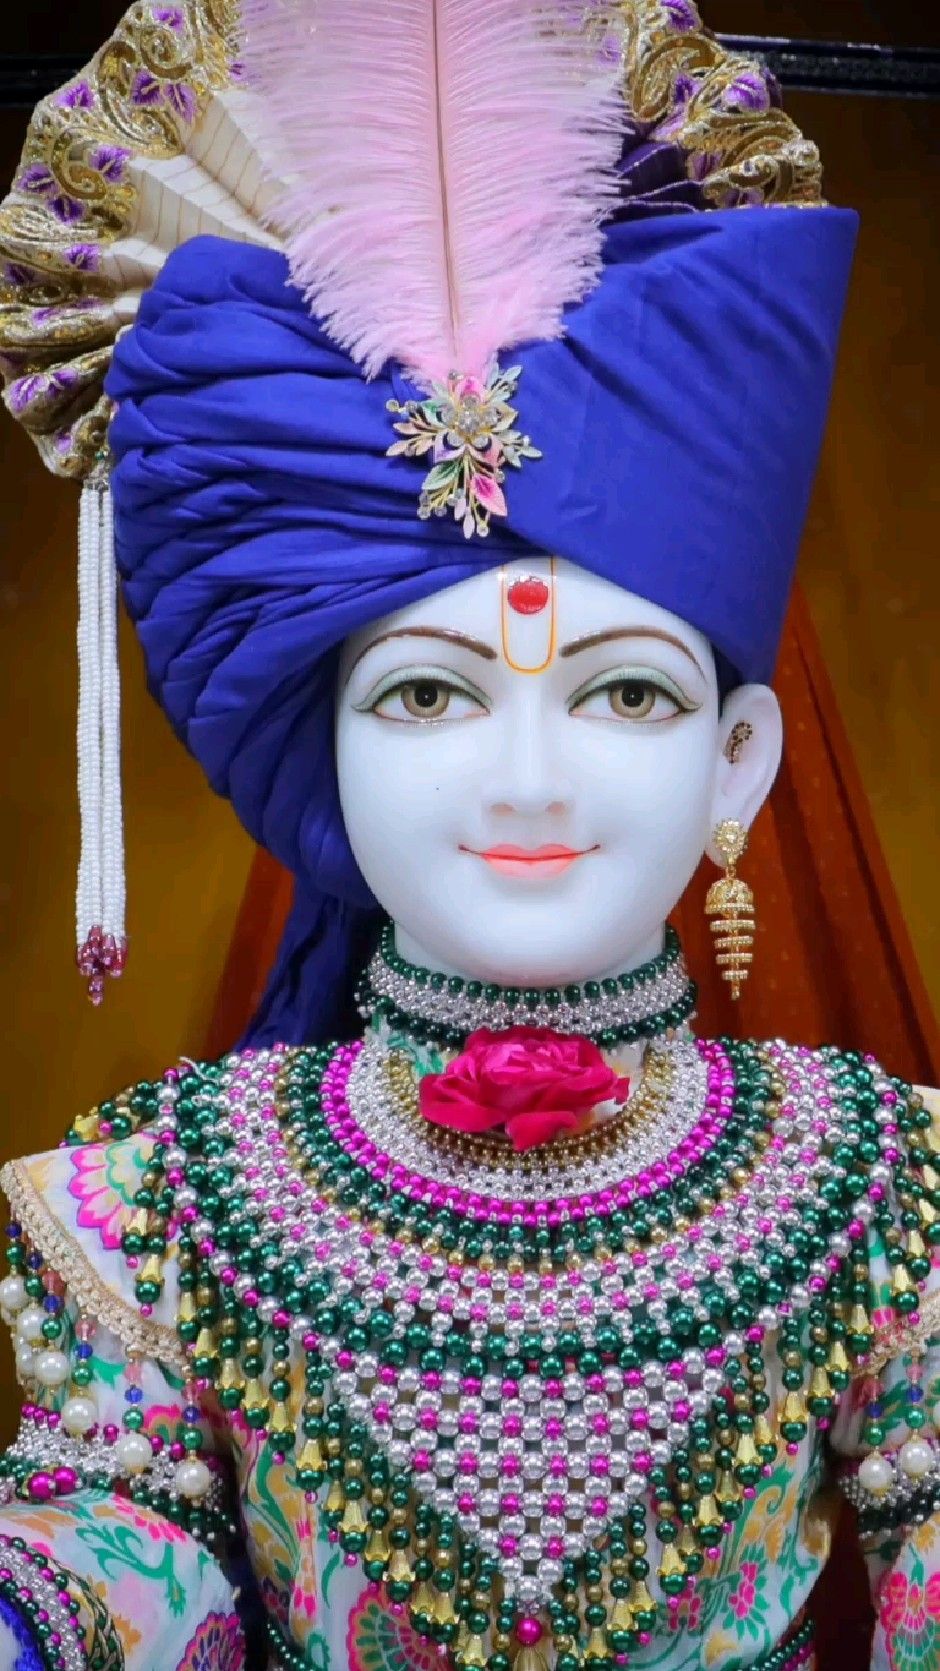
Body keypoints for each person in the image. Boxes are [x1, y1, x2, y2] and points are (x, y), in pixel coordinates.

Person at [0, 2, 936, 1668]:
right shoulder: (157, 1199)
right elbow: (123, 1561)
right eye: (426, 699)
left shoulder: (884, 1188)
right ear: (323, 754)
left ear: (739, 763)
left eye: (625, 701)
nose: (525, 779)